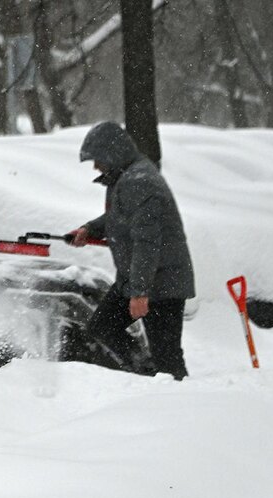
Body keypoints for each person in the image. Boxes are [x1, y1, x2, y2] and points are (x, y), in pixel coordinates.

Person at [67, 121, 195, 380]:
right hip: (139, 280)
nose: (95, 166)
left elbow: (147, 243)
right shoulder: (127, 178)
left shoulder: (141, 182)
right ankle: (147, 375)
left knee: (168, 357)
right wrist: (89, 229)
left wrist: (140, 293)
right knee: (103, 327)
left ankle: (181, 401)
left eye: (98, 159)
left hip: (161, 284)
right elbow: (119, 218)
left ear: (112, 154)